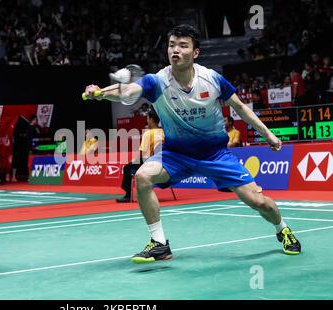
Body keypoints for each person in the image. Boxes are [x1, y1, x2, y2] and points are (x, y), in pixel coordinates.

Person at [84, 24, 301, 263]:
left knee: (259, 203)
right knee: (143, 176)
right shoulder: (157, 81)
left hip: (216, 154)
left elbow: (239, 107)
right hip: (177, 154)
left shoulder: (211, 79)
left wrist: (267, 134)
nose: (175, 50)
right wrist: (101, 92)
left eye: (183, 46)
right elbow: (127, 92)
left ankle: (283, 229)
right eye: (172, 45)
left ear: (195, 52)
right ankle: (159, 244)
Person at [117, 108, 164, 202]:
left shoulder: (148, 134)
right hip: (163, 163)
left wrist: (133, 161)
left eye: (147, 118)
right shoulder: (163, 132)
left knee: (127, 168)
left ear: (151, 120)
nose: (147, 121)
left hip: (149, 163)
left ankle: (128, 195)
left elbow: (142, 153)